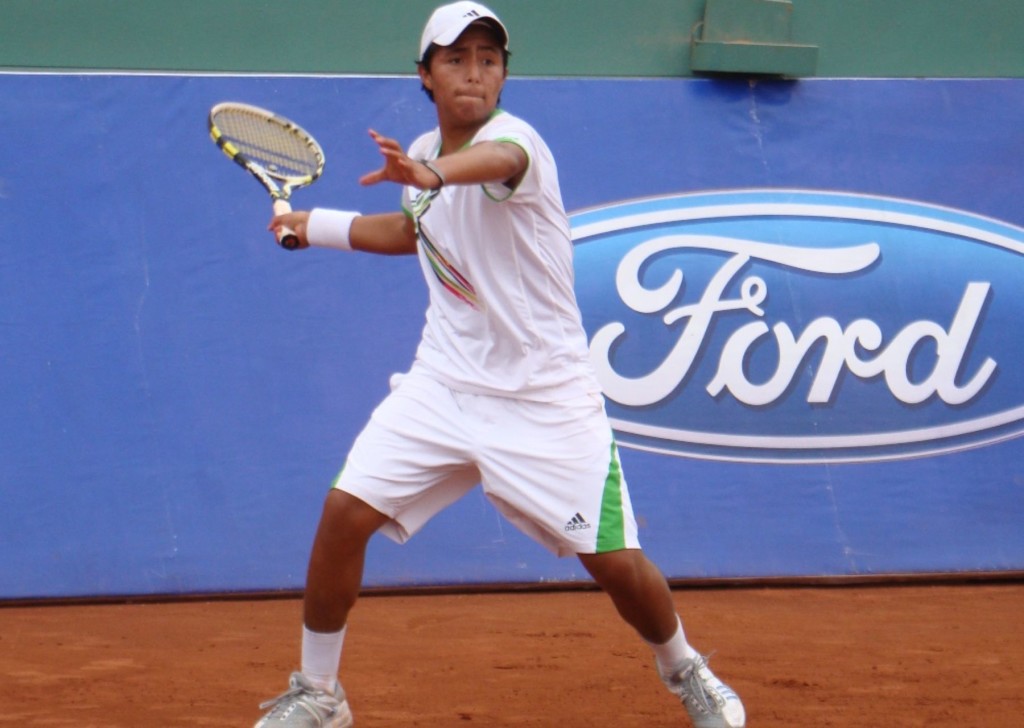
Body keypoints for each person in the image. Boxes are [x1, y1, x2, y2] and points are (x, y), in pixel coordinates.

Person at [254, 3, 746, 727]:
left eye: (489, 60)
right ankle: (319, 694)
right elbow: (412, 229)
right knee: (343, 513)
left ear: (504, 75)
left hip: (545, 399)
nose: (474, 73)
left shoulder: (515, 143)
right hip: (444, 385)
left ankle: (685, 667)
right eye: (455, 60)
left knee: (613, 562)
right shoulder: (422, 154)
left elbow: (489, 166)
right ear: (425, 75)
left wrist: (429, 171)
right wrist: (316, 226)